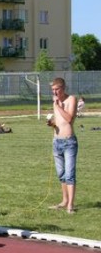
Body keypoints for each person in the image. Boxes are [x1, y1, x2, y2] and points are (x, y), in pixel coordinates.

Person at [47, 77, 78, 214]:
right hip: (57, 141)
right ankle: (64, 200)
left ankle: (70, 204)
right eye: (53, 90)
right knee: (61, 174)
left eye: (56, 89)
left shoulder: (71, 99)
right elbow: (58, 120)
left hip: (69, 141)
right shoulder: (55, 102)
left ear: (63, 88)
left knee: (69, 174)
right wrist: (52, 123)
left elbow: (69, 119)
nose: (54, 92)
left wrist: (59, 106)